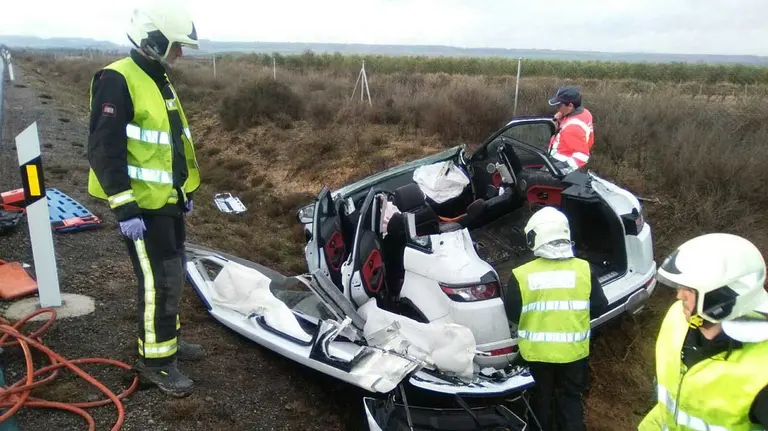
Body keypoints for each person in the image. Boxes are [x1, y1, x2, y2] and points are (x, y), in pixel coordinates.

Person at [86, 2, 204, 398]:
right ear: (153, 41)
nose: (181, 54)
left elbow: (169, 142)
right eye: (176, 46)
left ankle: (167, 342)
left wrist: (183, 188)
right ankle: (155, 363)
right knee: (158, 283)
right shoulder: (117, 80)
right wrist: (124, 207)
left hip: (166, 202)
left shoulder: (158, 78)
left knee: (174, 276)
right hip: (141, 209)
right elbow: (105, 150)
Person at [638, 233, 768, 430]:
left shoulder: (762, 372)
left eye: (689, 289)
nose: (678, 295)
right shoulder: (677, 318)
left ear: (721, 296)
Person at [504, 206, 608, 431]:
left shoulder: (521, 275)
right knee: (570, 403)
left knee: (539, 405)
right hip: (574, 354)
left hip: (536, 357)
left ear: (536, 237)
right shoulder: (584, 270)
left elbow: (512, 314)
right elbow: (599, 307)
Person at [546, 86, 594, 173]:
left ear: (570, 106)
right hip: (564, 156)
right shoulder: (585, 113)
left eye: (559, 105)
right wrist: (561, 117)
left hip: (561, 163)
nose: (557, 108)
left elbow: (582, 156)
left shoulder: (572, 127)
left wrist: (557, 169)